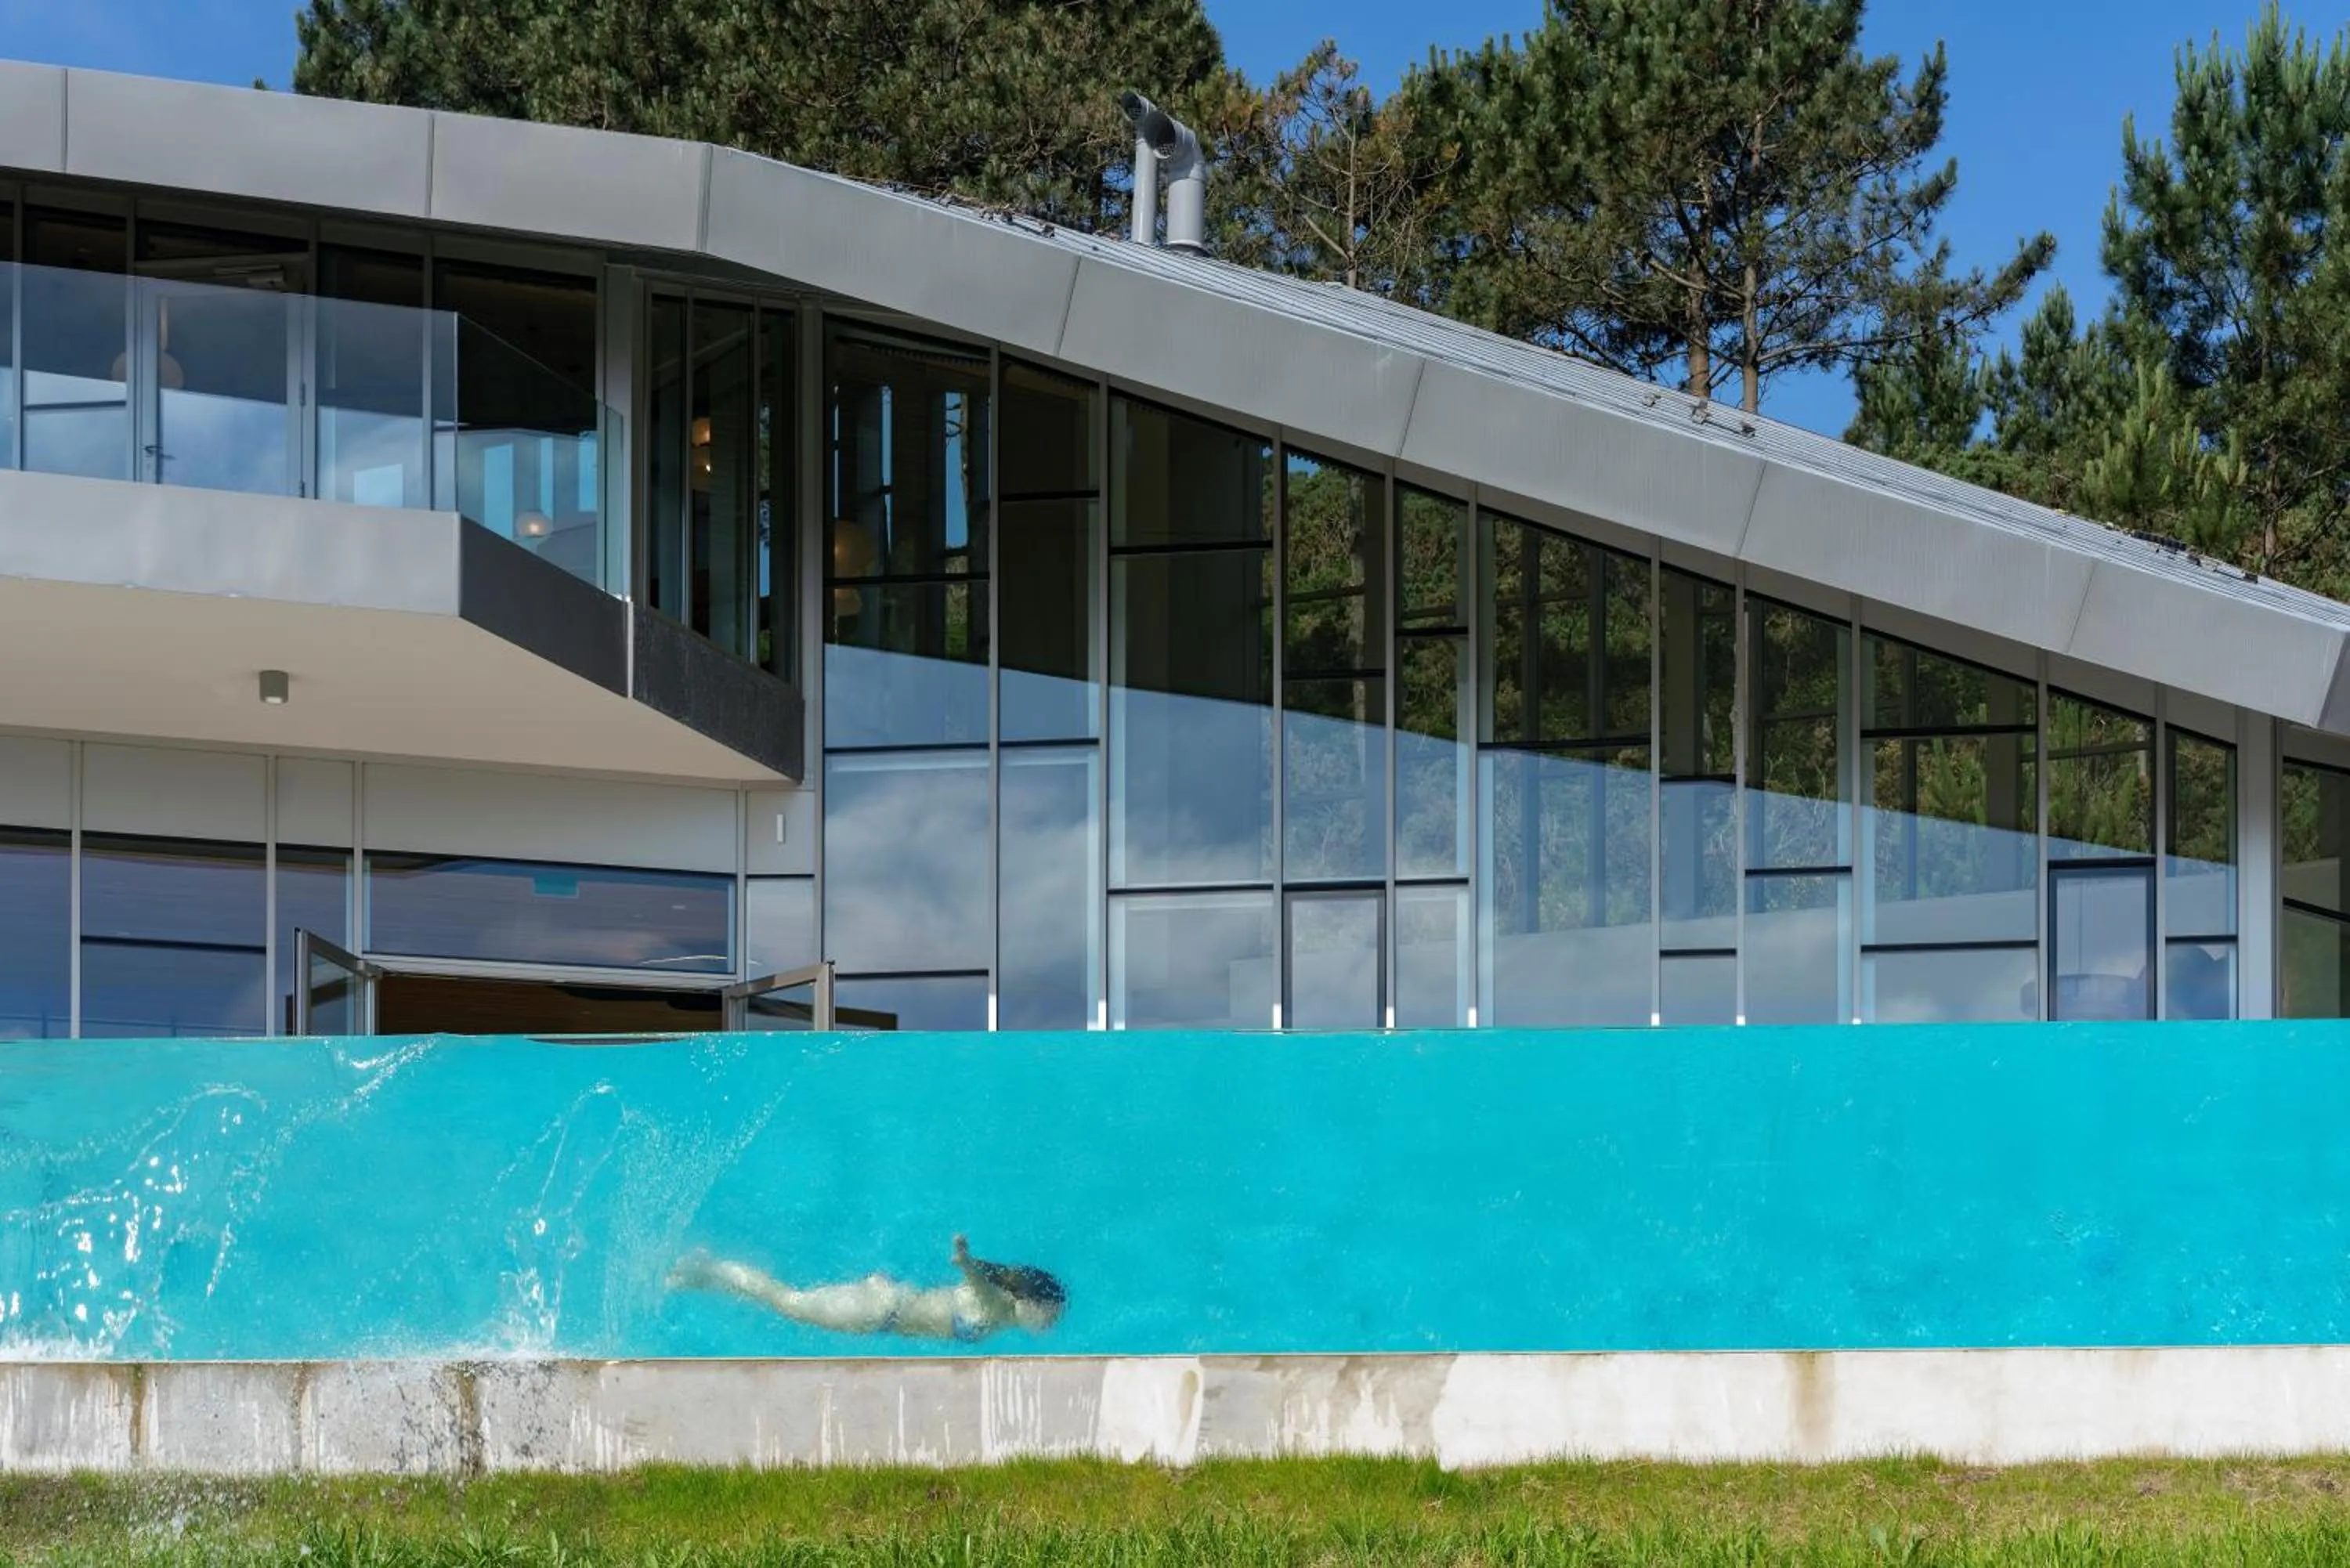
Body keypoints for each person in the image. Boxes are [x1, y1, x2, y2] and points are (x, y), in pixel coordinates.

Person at [666, 1234, 1065, 1342]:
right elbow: (980, 1287)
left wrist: (969, 1264)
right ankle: (710, 1267)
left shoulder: (1003, 1320)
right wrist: (965, 1261)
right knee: (787, 1301)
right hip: (876, 1312)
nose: (1051, 1322)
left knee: (789, 1301)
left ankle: (702, 1275)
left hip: (885, 1303)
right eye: (1051, 1313)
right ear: (1029, 1302)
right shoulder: (998, 1309)